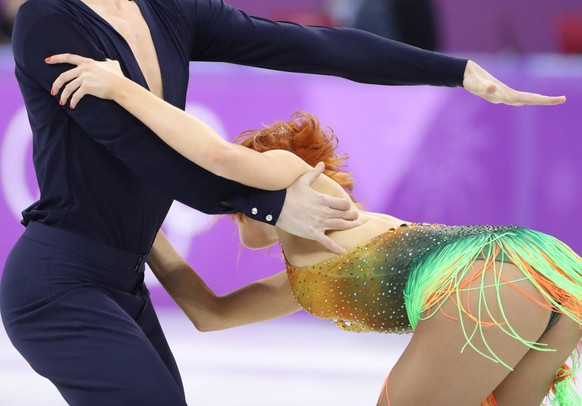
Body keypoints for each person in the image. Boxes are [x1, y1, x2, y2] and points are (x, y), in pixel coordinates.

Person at [0, 0, 567, 405]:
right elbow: (138, 149)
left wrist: (454, 70)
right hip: (60, 277)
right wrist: (266, 203)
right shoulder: (46, 22)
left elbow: (316, 46)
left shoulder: (172, 13)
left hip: (123, 279)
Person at [46, 56, 582, 406]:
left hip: (485, 277)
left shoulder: (295, 179)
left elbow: (214, 154)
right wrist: (138, 222)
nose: (229, 219)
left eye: (232, 207)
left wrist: (120, 89)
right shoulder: (307, 276)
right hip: (531, 280)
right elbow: (209, 315)